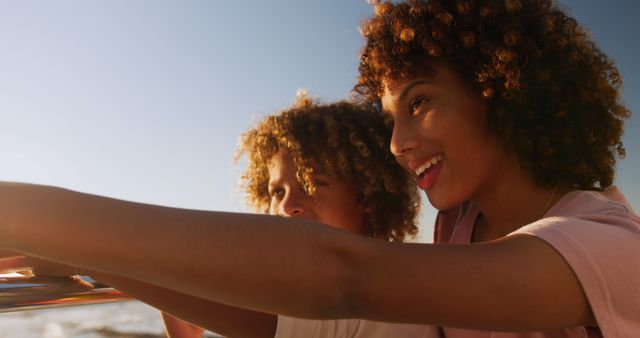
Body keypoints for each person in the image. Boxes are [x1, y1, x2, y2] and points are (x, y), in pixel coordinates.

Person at [0, 0, 638, 337]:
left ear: (505, 88)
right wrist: (93, 260)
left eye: (420, 103)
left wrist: (21, 212)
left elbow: (343, 278)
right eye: (391, 118)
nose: (398, 143)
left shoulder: (607, 248)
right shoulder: (464, 226)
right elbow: (297, 315)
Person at [2, 93, 436, 338]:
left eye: (316, 183)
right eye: (277, 191)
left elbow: (306, 301)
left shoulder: (386, 304)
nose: (289, 205)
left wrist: (78, 251)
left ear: (369, 198)